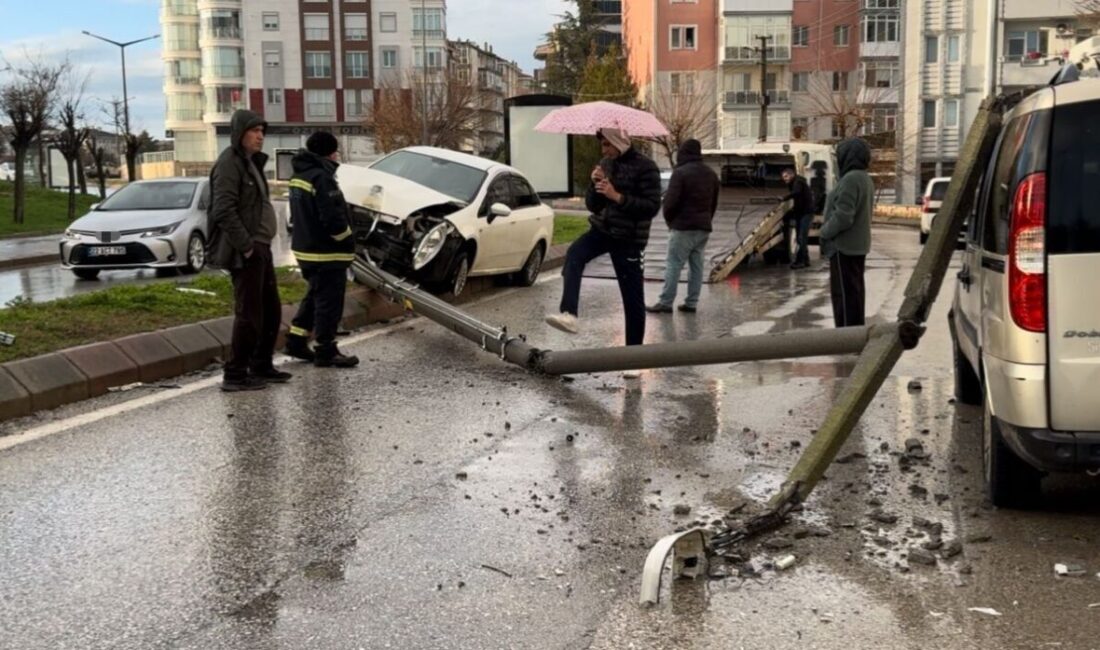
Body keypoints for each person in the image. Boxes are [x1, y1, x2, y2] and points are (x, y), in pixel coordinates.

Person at [545, 128, 661, 363]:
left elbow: (651, 207)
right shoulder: (605, 164)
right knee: (574, 254)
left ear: (620, 142)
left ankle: (634, 359)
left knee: (632, 299)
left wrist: (617, 196)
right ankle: (569, 313)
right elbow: (593, 205)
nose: (604, 150)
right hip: (602, 230)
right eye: (602, 146)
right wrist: (595, 183)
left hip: (629, 239)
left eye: (608, 145)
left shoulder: (646, 167)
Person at [208, 109, 289, 392]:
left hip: (260, 247)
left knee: (270, 310)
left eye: (262, 132)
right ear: (240, 133)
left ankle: (261, 364)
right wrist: (246, 246)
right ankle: (235, 374)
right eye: (255, 131)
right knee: (250, 314)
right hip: (247, 250)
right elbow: (223, 209)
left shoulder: (249, 162)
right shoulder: (229, 164)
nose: (260, 137)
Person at [283, 131, 360, 368]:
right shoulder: (322, 178)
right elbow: (332, 217)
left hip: (306, 249)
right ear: (330, 152)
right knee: (329, 302)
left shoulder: (299, 176)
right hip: (327, 252)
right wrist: (348, 239)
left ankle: (296, 339)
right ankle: (326, 349)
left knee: (315, 296)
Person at [646, 138, 719, 314]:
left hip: (682, 227)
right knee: (697, 267)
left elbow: (670, 203)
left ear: (683, 153)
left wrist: (670, 222)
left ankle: (665, 302)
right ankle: (691, 303)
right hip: (703, 228)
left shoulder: (680, 173)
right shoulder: (711, 174)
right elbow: (713, 203)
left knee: (674, 264)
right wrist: (706, 220)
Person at [819, 138, 875, 328]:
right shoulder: (864, 178)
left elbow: (844, 216)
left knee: (844, 294)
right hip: (857, 245)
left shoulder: (851, 179)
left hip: (845, 247)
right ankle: (854, 333)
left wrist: (825, 231)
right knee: (855, 293)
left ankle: (846, 336)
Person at [780, 167, 815, 270]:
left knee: (801, 237)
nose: (784, 179)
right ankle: (806, 260)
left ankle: (800, 261)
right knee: (801, 238)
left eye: (786, 176)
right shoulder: (795, 182)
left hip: (806, 213)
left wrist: (784, 198)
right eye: (783, 177)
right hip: (801, 213)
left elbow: (796, 193)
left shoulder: (798, 182)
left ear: (792, 175)